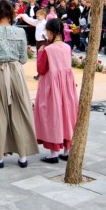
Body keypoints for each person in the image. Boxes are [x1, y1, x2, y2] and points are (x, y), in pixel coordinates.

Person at [0, 0, 38, 168]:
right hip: (16, 73)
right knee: (20, 112)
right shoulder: (19, 33)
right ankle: (22, 156)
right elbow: (24, 58)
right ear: (12, 13)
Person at [34, 18, 78, 163]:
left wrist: (40, 52)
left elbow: (41, 69)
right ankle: (67, 150)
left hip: (52, 87)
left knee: (52, 115)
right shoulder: (67, 47)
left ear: (51, 31)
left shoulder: (48, 49)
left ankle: (53, 153)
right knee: (67, 115)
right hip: (66, 87)